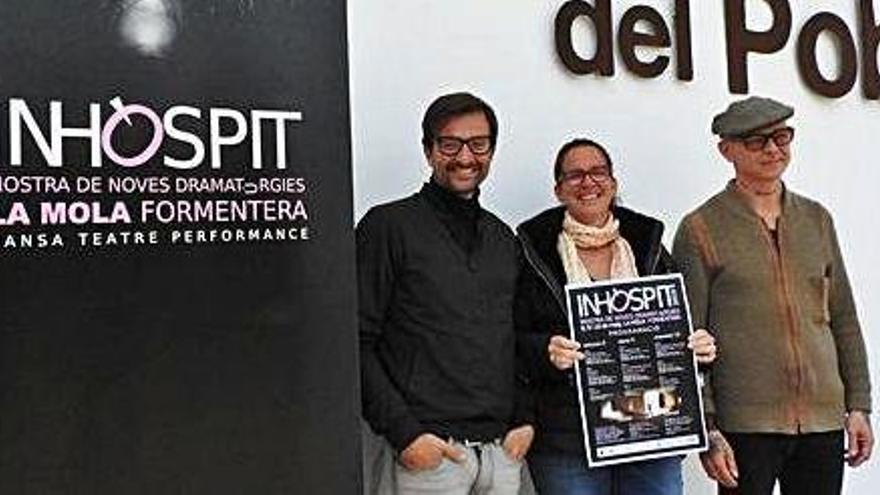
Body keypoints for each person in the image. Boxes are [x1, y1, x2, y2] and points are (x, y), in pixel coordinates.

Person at [673, 96, 873, 494]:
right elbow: (688, 338)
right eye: (756, 141)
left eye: (782, 137)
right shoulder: (700, 228)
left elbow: (843, 317)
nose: (772, 149)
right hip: (744, 425)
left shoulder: (816, 219)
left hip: (822, 420)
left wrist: (859, 405)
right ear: (726, 149)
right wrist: (707, 426)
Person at [515, 138, 717, 494]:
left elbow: (675, 332)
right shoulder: (532, 251)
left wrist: (698, 353)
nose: (588, 182)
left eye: (597, 172)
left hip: (651, 432)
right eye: (574, 175)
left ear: (613, 182)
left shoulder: (648, 245)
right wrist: (545, 351)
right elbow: (510, 337)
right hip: (567, 439)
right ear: (558, 189)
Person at [357, 92, 534, 494]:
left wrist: (524, 419)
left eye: (478, 144)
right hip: (426, 457)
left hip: (499, 456)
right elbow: (355, 340)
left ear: (492, 149)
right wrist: (405, 436)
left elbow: (517, 338)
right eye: (450, 144)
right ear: (428, 150)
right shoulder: (387, 227)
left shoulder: (502, 238)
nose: (465, 157)